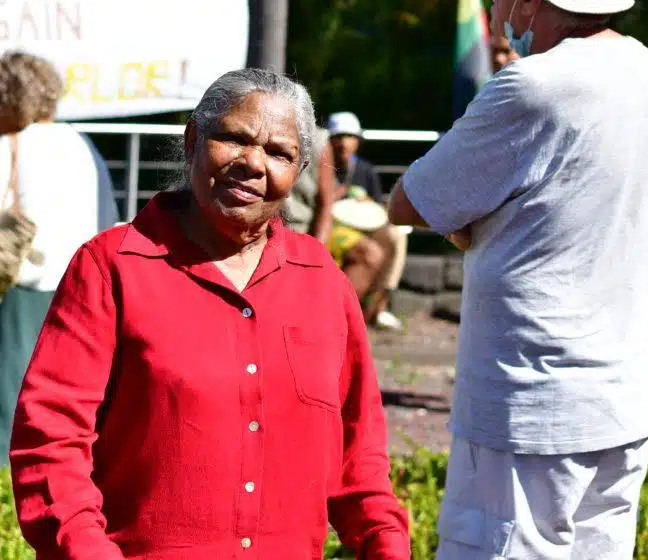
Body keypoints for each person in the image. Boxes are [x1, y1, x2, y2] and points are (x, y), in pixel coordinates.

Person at [11, 68, 410, 560]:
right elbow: (51, 441)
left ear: (300, 169)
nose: (253, 163)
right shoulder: (112, 268)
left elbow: (360, 453)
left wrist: (386, 544)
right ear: (192, 140)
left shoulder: (321, 281)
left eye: (278, 153)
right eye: (233, 138)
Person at [388, 0, 648, 560]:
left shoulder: (532, 87)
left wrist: (473, 225)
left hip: (527, 405)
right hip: (621, 400)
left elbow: (410, 201)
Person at [0, 52, 107, 462]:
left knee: (10, 397)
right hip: (75, 284)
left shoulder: (13, 145)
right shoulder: (80, 143)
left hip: (19, 287)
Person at [324, 112, 407, 330]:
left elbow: (380, 208)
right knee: (368, 253)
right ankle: (338, 315)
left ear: (357, 141)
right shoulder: (321, 165)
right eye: (338, 136)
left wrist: (367, 201)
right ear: (329, 140)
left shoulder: (365, 170)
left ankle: (381, 305)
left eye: (349, 136)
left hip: (364, 226)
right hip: (333, 227)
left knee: (395, 236)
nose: (344, 142)